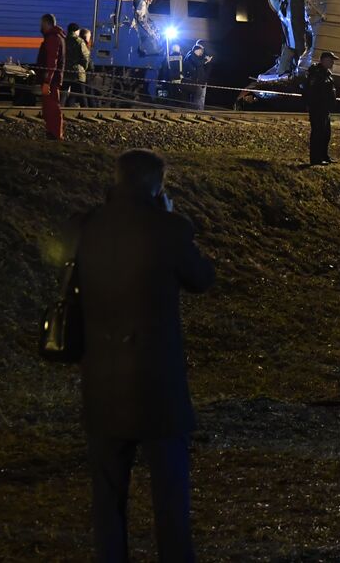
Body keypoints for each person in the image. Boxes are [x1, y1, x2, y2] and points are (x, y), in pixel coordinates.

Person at [77, 149, 215, 562]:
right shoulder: (167, 229)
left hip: (102, 380)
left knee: (107, 493)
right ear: (157, 186)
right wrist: (172, 218)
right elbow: (202, 278)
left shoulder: (87, 227)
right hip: (157, 384)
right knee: (169, 492)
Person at [304, 51, 337, 165]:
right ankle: (315, 159)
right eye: (331, 60)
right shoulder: (316, 74)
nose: (333, 62)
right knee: (318, 133)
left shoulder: (327, 73)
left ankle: (324, 156)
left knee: (326, 133)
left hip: (325, 109)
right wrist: (313, 105)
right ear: (323, 60)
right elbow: (311, 91)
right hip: (318, 108)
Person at [36, 14, 66, 140]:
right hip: (53, 79)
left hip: (51, 80)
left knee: (52, 107)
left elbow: (51, 61)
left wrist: (47, 81)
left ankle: (54, 134)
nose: (40, 27)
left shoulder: (52, 38)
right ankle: (52, 133)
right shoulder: (58, 37)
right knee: (50, 107)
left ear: (47, 24)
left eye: (42, 24)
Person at [66, 22, 93, 109]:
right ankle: (86, 111)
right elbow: (85, 57)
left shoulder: (63, 40)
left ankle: (63, 110)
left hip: (65, 71)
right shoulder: (79, 41)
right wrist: (83, 68)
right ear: (76, 31)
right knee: (82, 94)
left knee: (65, 94)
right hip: (77, 72)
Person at [181, 41, 212, 111]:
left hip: (200, 80)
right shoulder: (191, 56)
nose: (201, 53)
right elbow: (198, 64)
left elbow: (204, 66)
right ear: (196, 49)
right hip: (193, 80)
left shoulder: (199, 57)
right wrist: (205, 61)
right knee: (197, 97)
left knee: (200, 97)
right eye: (200, 51)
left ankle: (198, 110)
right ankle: (196, 111)